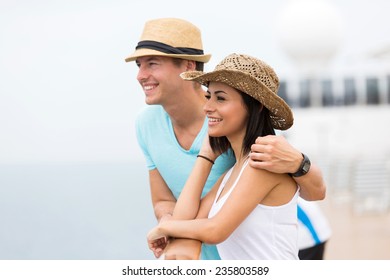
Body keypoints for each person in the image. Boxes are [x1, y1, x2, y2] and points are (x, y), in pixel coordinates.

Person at [125, 17, 326, 259]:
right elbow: (183, 210)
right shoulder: (227, 169)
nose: (141, 75)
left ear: (188, 66)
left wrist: (298, 162)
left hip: (297, 242)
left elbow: (215, 229)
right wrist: (206, 155)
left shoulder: (262, 154)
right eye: (139, 65)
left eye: (153, 63)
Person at [147, 53, 299, 259]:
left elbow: (215, 230)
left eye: (221, 98)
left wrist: (164, 228)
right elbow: (184, 218)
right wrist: (206, 156)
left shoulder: (262, 165)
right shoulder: (233, 172)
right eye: (208, 96)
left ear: (255, 105)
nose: (207, 107)